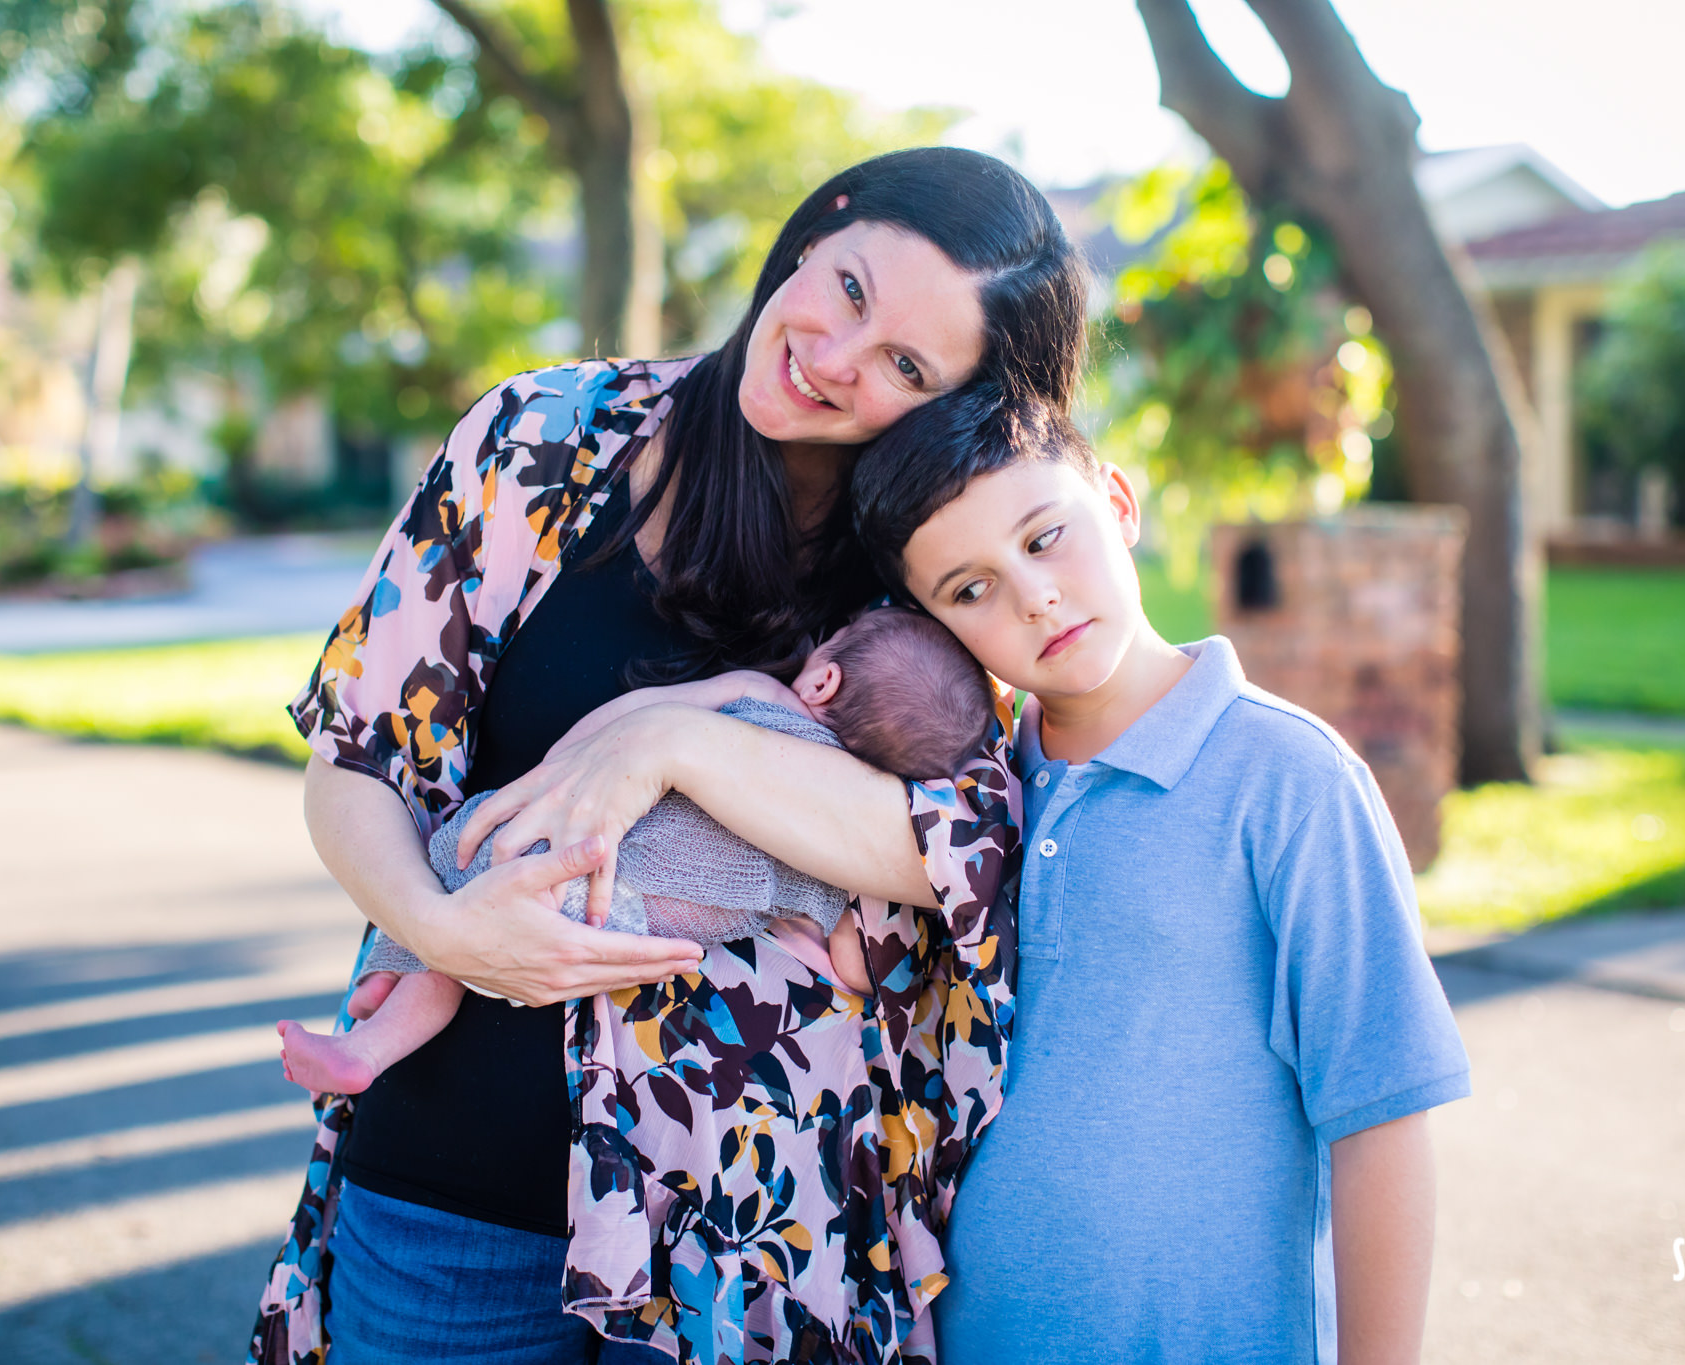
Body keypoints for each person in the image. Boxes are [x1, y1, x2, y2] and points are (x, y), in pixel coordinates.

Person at [249, 146, 1086, 1365]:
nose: (835, 358)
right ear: (818, 227)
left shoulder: (942, 545)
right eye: (849, 290)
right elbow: (359, 762)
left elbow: (959, 853)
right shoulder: (541, 437)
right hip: (454, 1195)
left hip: (761, 1235)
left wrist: (679, 741)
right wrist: (442, 933)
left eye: (906, 366)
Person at [850, 388, 1473, 1364]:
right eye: (969, 590)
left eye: (1045, 538)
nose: (1033, 597)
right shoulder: (966, 811)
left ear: (1119, 504)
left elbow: (1381, 1124)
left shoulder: (1288, 781)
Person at [274, 607, 996, 1094]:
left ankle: (374, 1024)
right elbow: (849, 965)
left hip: (583, 855)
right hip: (637, 938)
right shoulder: (832, 847)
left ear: (824, 677)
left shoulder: (758, 698)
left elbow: (636, 724)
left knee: (459, 892)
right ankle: (389, 998)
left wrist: (566, 760)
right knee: (474, 936)